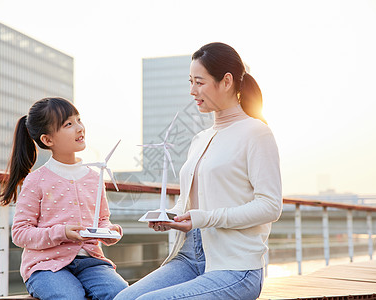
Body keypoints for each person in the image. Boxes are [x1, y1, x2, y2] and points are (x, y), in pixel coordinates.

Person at [114, 42, 282, 300]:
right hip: (190, 258)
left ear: (226, 81)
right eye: (190, 82)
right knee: (122, 299)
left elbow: (270, 206)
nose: (192, 91)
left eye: (199, 82)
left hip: (236, 268)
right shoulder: (200, 138)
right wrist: (171, 217)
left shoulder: (256, 133)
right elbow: (189, 202)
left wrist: (205, 218)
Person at [0, 97, 128, 300]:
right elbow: (20, 233)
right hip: (45, 266)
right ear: (48, 140)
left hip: (91, 263)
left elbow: (102, 219)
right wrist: (62, 233)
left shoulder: (95, 177)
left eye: (78, 120)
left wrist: (109, 231)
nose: (79, 128)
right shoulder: (37, 180)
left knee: (120, 294)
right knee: (69, 297)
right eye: (68, 124)